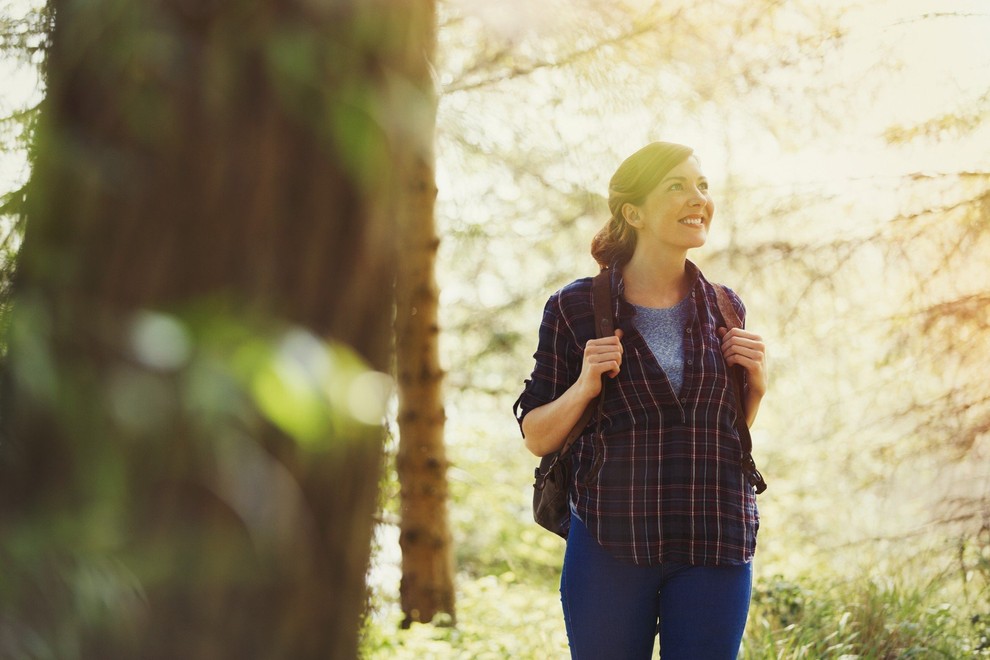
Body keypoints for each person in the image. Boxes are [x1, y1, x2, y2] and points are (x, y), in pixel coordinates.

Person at [513, 141, 767, 659]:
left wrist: (756, 386)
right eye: (676, 186)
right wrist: (585, 385)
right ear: (634, 212)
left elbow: (722, 432)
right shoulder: (575, 307)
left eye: (702, 186)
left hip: (714, 538)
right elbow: (537, 435)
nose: (697, 199)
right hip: (612, 543)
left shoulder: (725, 305)